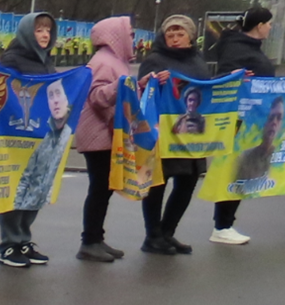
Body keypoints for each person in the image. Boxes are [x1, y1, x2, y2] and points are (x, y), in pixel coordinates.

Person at [0, 9, 58, 272]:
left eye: (47, 30)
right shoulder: (12, 59)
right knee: (14, 188)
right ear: (27, 33)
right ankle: (9, 243)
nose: (43, 35)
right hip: (15, 135)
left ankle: (24, 239)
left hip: (41, 135)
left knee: (36, 188)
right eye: (38, 30)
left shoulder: (47, 61)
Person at [203, 6, 277, 245]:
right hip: (239, 120)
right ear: (259, 26)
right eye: (269, 23)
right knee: (233, 169)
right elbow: (227, 79)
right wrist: (236, 78)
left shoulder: (248, 46)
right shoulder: (236, 48)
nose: (270, 27)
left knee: (241, 170)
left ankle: (226, 223)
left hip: (251, 118)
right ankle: (222, 225)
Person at [136, 13, 208, 255]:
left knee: (187, 183)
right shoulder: (156, 60)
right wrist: (152, 83)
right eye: (170, 34)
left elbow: (207, 88)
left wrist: (235, 81)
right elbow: (143, 91)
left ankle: (168, 232)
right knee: (158, 183)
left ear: (191, 36)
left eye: (180, 34)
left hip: (193, 133)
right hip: (164, 132)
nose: (175, 39)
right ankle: (153, 235)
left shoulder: (198, 59)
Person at [74, 16, 133, 262]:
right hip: (98, 135)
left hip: (106, 134)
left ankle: (97, 238)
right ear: (114, 36)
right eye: (128, 34)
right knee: (99, 189)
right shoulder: (103, 62)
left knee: (104, 189)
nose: (132, 38)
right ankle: (89, 242)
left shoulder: (113, 61)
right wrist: (118, 87)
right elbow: (97, 97)